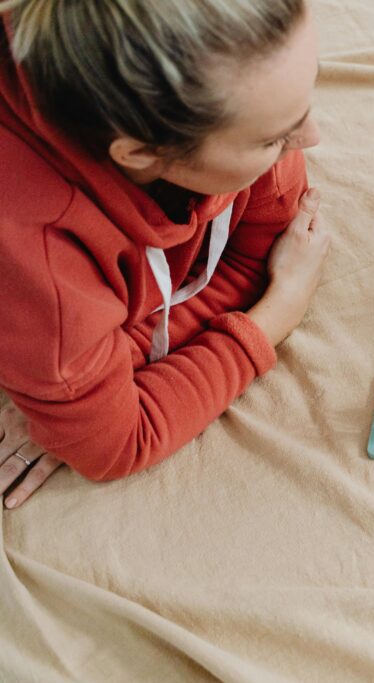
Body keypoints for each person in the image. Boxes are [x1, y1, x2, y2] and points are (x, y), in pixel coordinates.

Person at [0, 0, 329, 506]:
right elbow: (120, 446)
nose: (310, 136)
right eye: (274, 137)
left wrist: (100, 372)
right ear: (139, 153)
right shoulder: (36, 258)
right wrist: (275, 315)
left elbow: (254, 255)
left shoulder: (230, 71)